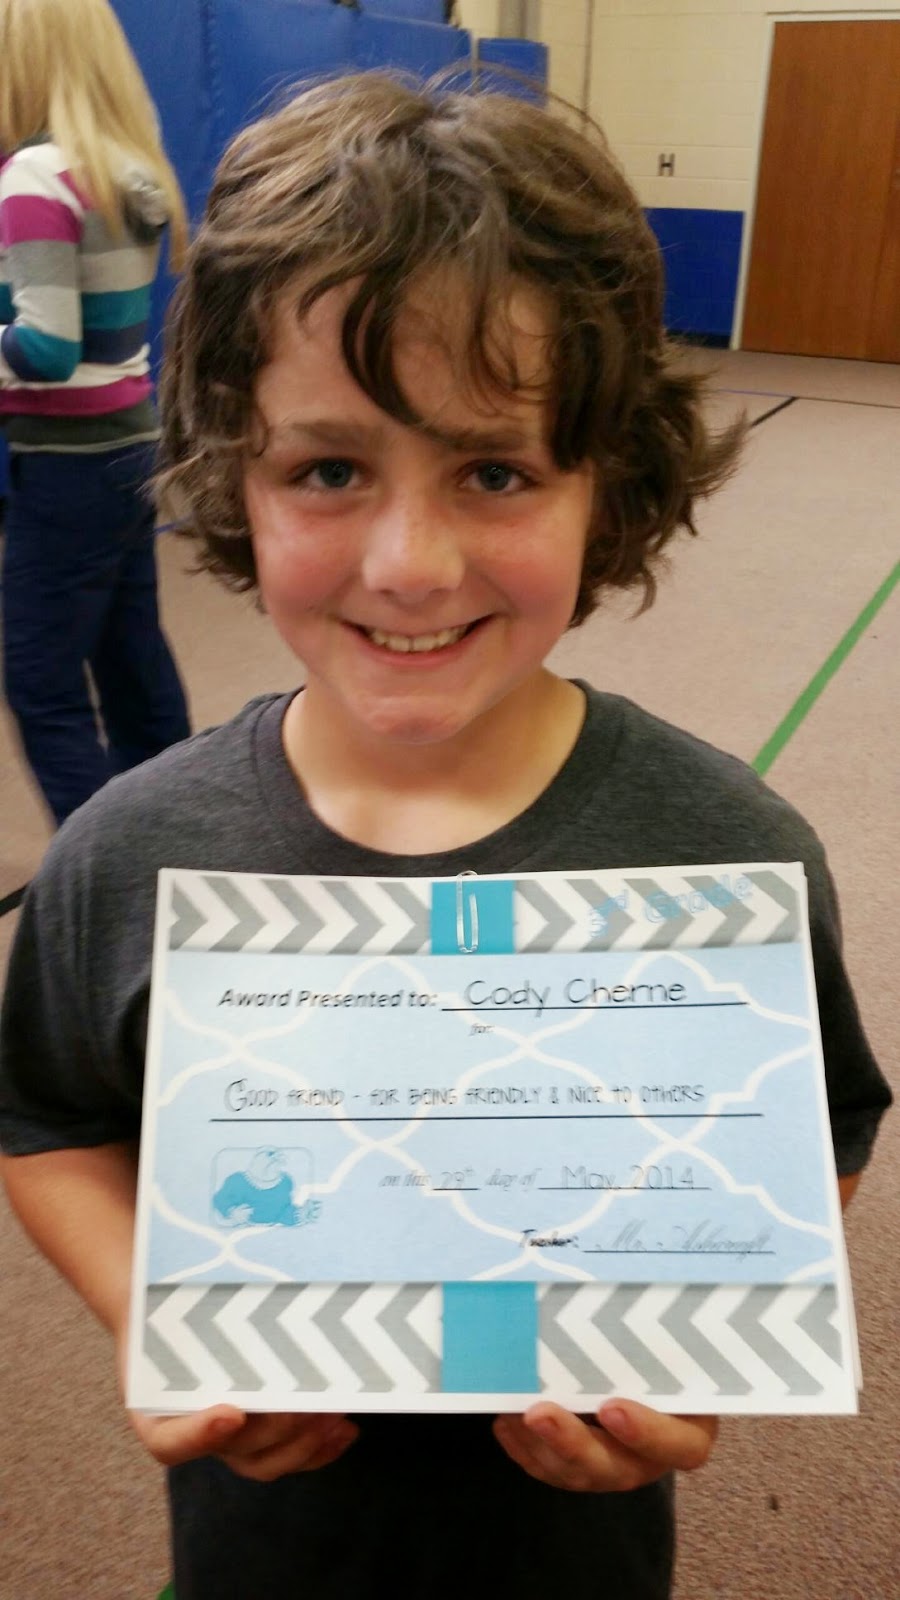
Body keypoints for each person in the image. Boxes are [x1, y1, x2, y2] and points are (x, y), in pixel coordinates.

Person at [0, 73, 891, 1600]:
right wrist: (162, 1317)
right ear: (235, 478)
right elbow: (51, 1119)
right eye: (329, 470)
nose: (410, 565)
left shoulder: (723, 855)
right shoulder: (131, 852)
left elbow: (820, 1133)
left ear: (607, 483)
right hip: (264, 1540)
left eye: (493, 470)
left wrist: (705, 1338)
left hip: (576, 1550)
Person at [0, 0, 191, 826]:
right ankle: (176, 837)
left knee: (41, 681)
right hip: (128, 451)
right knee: (130, 662)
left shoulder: (33, 176)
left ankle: (105, 867)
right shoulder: (124, 165)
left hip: (66, 464)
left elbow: (46, 348)